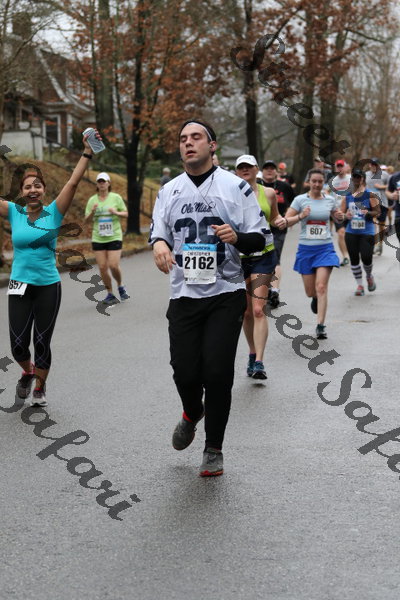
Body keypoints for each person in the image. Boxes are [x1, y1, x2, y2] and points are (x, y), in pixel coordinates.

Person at [150, 120, 269, 477]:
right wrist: (159, 245)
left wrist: (237, 237)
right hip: (184, 295)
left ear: (212, 145)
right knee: (184, 371)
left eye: (196, 137)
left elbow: (260, 238)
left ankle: (213, 448)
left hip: (225, 294)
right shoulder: (169, 190)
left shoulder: (236, 187)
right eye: (183, 139)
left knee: (217, 372)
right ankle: (192, 411)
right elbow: (159, 233)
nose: (188, 143)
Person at [0, 131, 102, 407]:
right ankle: (28, 372)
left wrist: (87, 151)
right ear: (22, 193)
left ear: (44, 190)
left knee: (42, 341)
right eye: (27, 187)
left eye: (37, 186)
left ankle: (40, 387)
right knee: (18, 344)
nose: (32, 190)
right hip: (19, 283)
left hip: (47, 285)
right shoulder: (14, 212)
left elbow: (73, 181)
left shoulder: (54, 212)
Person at [235, 154, 286, 380]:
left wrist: (280, 221)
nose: (245, 170)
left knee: (258, 309)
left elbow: (274, 217)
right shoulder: (230, 194)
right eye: (241, 167)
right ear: (237, 172)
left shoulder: (269, 193)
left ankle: (259, 362)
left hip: (264, 255)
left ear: (256, 169)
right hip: (239, 256)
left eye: (249, 166)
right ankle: (252, 352)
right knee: (246, 312)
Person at [282, 169, 342, 339]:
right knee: (311, 292)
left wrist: (340, 216)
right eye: (314, 181)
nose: (316, 184)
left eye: (320, 181)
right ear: (308, 182)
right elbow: (286, 221)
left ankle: (320, 325)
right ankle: (315, 298)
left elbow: (338, 217)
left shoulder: (330, 200)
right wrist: (301, 215)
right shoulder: (300, 200)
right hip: (306, 250)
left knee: (321, 287)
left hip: (325, 249)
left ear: (324, 183)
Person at [84, 172, 129, 306]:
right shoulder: (92, 200)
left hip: (114, 236)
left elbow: (126, 213)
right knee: (103, 267)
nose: (102, 184)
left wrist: (116, 212)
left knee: (113, 265)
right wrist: (92, 212)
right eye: (99, 182)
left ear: (109, 183)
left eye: (104, 181)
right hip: (98, 237)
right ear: (97, 184)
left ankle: (120, 285)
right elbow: (86, 221)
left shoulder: (116, 198)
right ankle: (110, 294)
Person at [341, 168, 380, 295]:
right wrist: (345, 215)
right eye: (354, 177)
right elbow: (340, 214)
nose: (356, 179)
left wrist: (368, 212)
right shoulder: (347, 195)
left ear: (363, 179)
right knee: (354, 259)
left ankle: (369, 276)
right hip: (351, 231)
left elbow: (378, 212)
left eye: (359, 177)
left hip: (367, 231)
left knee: (366, 257)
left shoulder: (370, 194)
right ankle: (359, 285)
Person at [261, 159, 294, 307]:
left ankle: (274, 290)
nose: (269, 170)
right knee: (262, 259)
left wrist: (287, 218)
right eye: (266, 168)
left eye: (272, 168)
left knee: (275, 257)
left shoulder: (284, 186)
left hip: (278, 228)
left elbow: (292, 204)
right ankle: (264, 288)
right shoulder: (256, 185)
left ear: (276, 171)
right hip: (259, 230)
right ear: (262, 171)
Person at [328, 159, 351, 266]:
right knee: (341, 233)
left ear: (345, 167)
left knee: (350, 235)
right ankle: (345, 256)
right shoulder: (332, 181)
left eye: (342, 166)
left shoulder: (351, 179)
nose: (340, 168)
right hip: (338, 211)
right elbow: (327, 194)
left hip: (351, 210)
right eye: (338, 166)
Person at [365, 158, 389, 255]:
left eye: (375, 165)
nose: (374, 166)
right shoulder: (366, 175)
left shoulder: (385, 174)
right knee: (373, 222)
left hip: (383, 202)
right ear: (369, 165)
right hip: (370, 203)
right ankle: (373, 244)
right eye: (372, 164)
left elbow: (390, 186)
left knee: (381, 224)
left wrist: (381, 187)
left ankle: (380, 244)